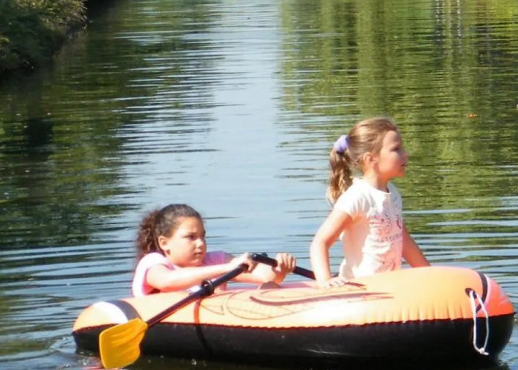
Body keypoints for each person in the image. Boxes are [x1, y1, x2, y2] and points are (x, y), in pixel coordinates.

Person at [310, 117, 430, 286]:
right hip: (363, 291)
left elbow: (402, 239)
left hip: (389, 287)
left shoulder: (392, 193)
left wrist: (428, 273)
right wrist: (326, 280)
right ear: (371, 159)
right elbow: (320, 242)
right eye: (396, 149)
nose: (405, 154)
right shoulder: (357, 197)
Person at [132, 203, 295, 296]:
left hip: (222, 319)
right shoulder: (153, 262)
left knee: (270, 288)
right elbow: (166, 281)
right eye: (191, 237)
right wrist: (227, 268)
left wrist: (279, 268)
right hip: (174, 321)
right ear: (164, 243)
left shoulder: (215, 259)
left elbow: (265, 276)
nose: (201, 243)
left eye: (203, 236)